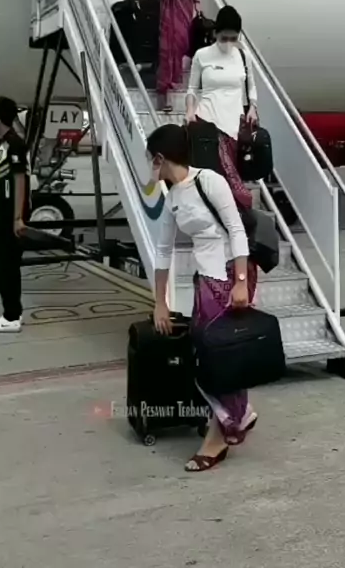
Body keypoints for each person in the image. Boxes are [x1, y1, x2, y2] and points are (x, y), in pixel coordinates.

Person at [148, 123, 258, 472]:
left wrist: (240, 282)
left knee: (221, 357)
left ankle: (218, 437)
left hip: (230, 274)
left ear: (161, 158)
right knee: (205, 354)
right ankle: (239, 414)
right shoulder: (173, 197)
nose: (150, 167)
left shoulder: (208, 181)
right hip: (206, 280)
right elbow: (162, 250)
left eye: (152, 160)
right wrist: (160, 302)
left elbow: (236, 230)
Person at [185, 5, 258, 212]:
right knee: (219, 179)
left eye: (233, 38)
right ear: (216, 33)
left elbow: (251, 87)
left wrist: (253, 107)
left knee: (230, 176)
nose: (228, 43)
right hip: (208, 120)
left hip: (234, 123)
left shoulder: (243, 56)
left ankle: (233, 218)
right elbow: (192, 89)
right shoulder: (202, 55)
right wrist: (189, 111)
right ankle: (236, 213)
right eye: (224, 38)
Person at [0, 97, 31, 333]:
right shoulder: (4, 143)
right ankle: (13, 313)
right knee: (4, 263)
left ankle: (11, 316)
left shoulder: (14, 144)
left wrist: (17, 218)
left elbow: (19, 180)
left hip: (11, 216)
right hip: (2, 214)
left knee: (2, 262)